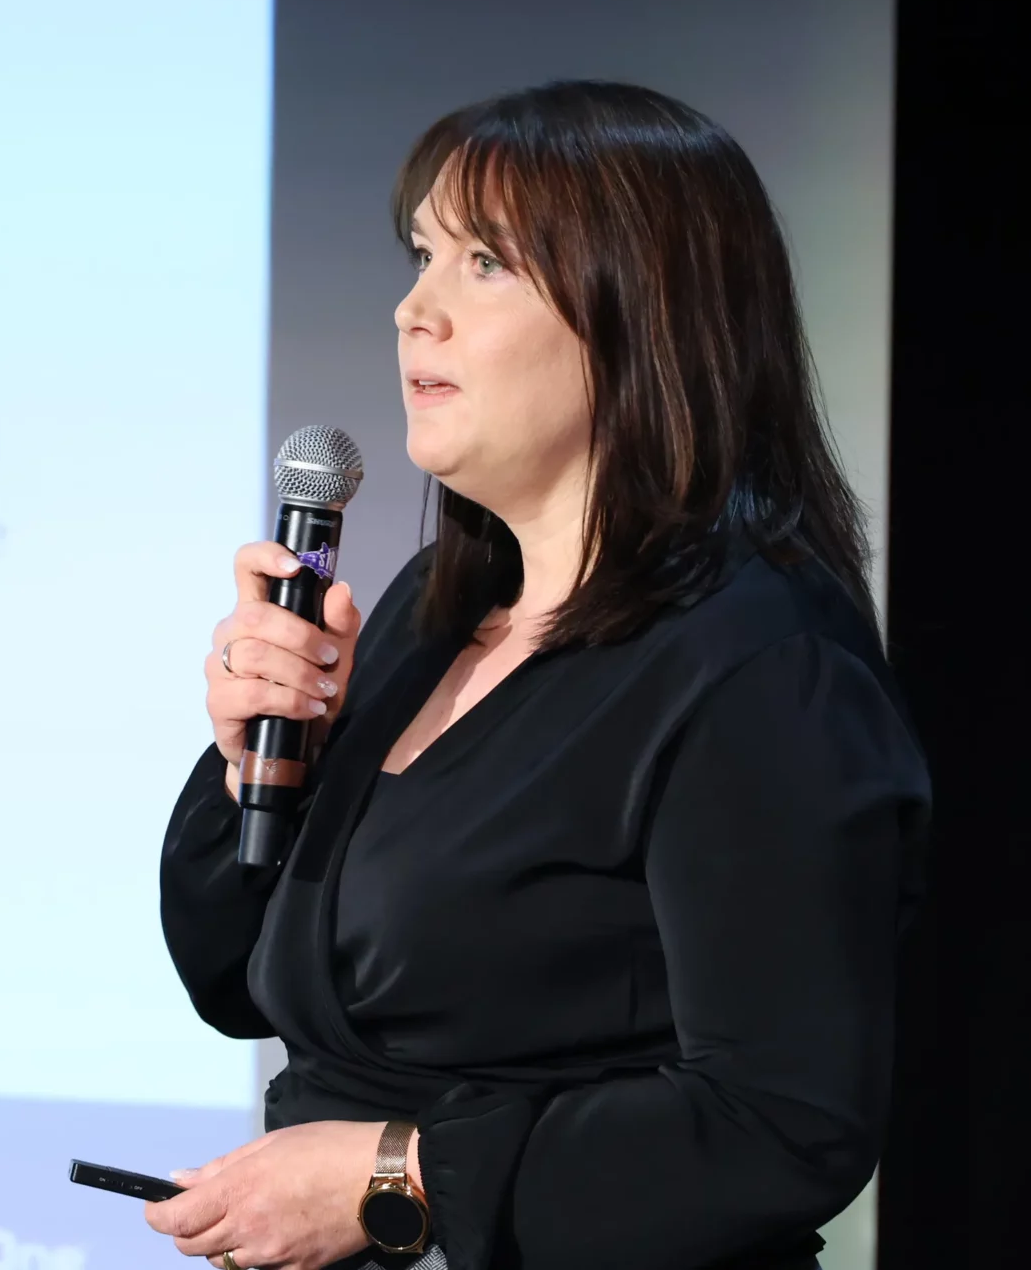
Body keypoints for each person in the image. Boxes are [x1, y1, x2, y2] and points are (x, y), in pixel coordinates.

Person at [147, 81, 930, 1270]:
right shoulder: (432, 610)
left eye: (484, 263)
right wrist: (256, 753)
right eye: (421, 256)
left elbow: (779, 1126)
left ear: (642, 313)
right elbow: (235, 981)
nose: (415, 310)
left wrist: (394, 1179)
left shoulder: (760, 667)